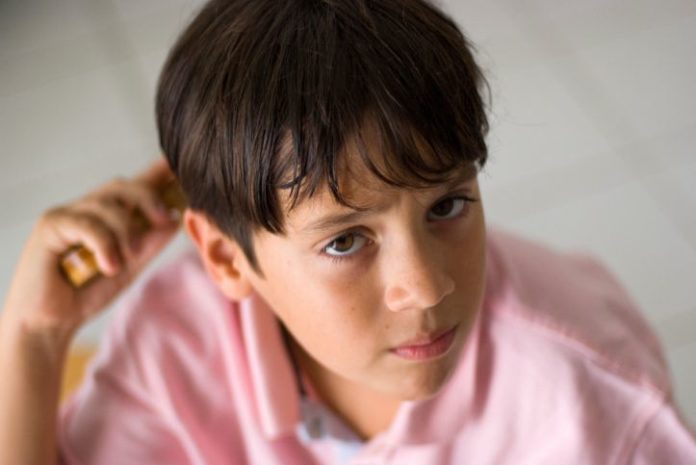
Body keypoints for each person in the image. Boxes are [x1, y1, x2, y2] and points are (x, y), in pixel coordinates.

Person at [1, 0, 695, 463]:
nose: (427, 283)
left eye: (447, 205)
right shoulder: (175, 339)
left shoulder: (593, 405)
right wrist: (33, 340)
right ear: (224, 255)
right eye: (344, 240)